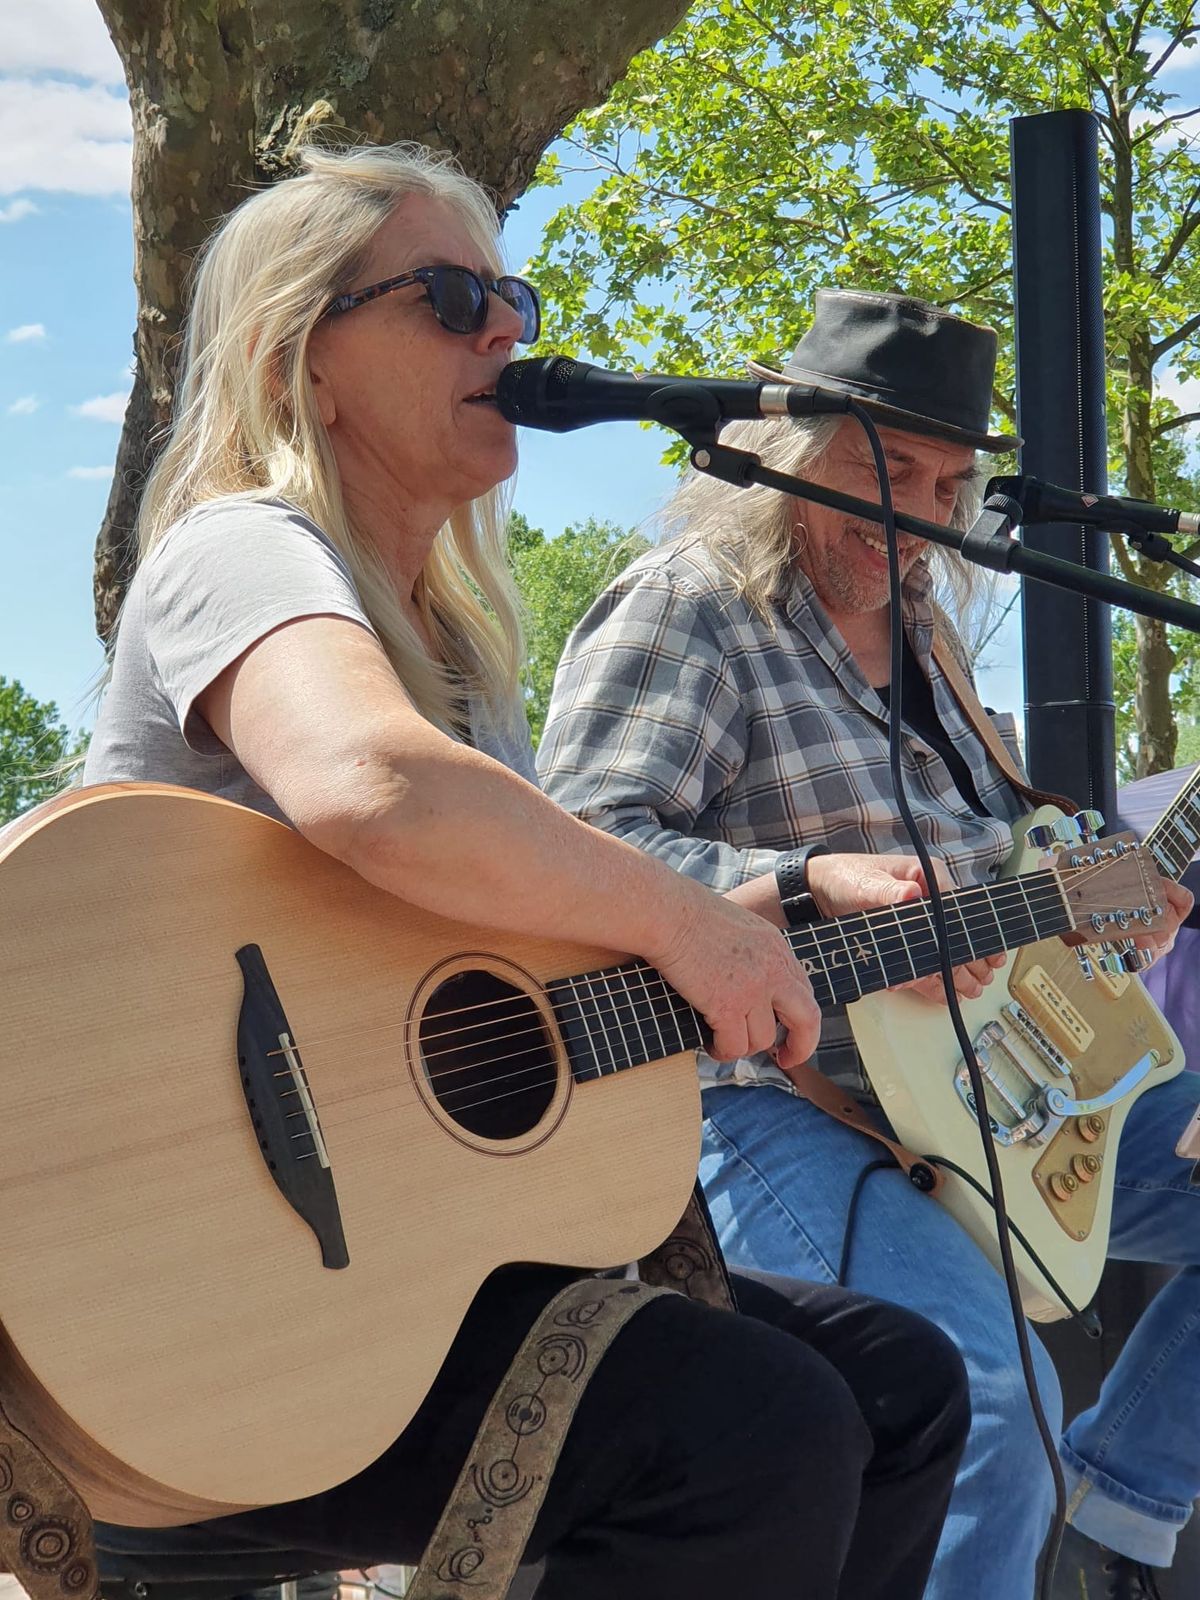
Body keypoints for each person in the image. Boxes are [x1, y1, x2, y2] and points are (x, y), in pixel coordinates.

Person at [78, 155, 971, 1600]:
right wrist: (680, 913)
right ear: (298, 362)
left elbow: (519, 953)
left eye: (513, 296)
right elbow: (371, 788)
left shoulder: (456, 657)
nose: (506, 331)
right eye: (449, 299)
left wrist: (789, 915)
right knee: (760, 1429)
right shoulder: (240, 552)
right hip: (192, 1307)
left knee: (899, 1385)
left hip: (389, 1266)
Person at [537, 288, 1199, 1600]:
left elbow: (1004, 861)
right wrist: (801, 882)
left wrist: (1117, 897)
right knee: (978, 1401)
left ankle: (1121, 1506)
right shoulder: (695, 606)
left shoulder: (931, 643)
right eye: (888, 468)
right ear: (790, 451)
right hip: (759, 1097)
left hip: (992, 1092)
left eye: (948, 482)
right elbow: (572, 854)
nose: (924, 509)